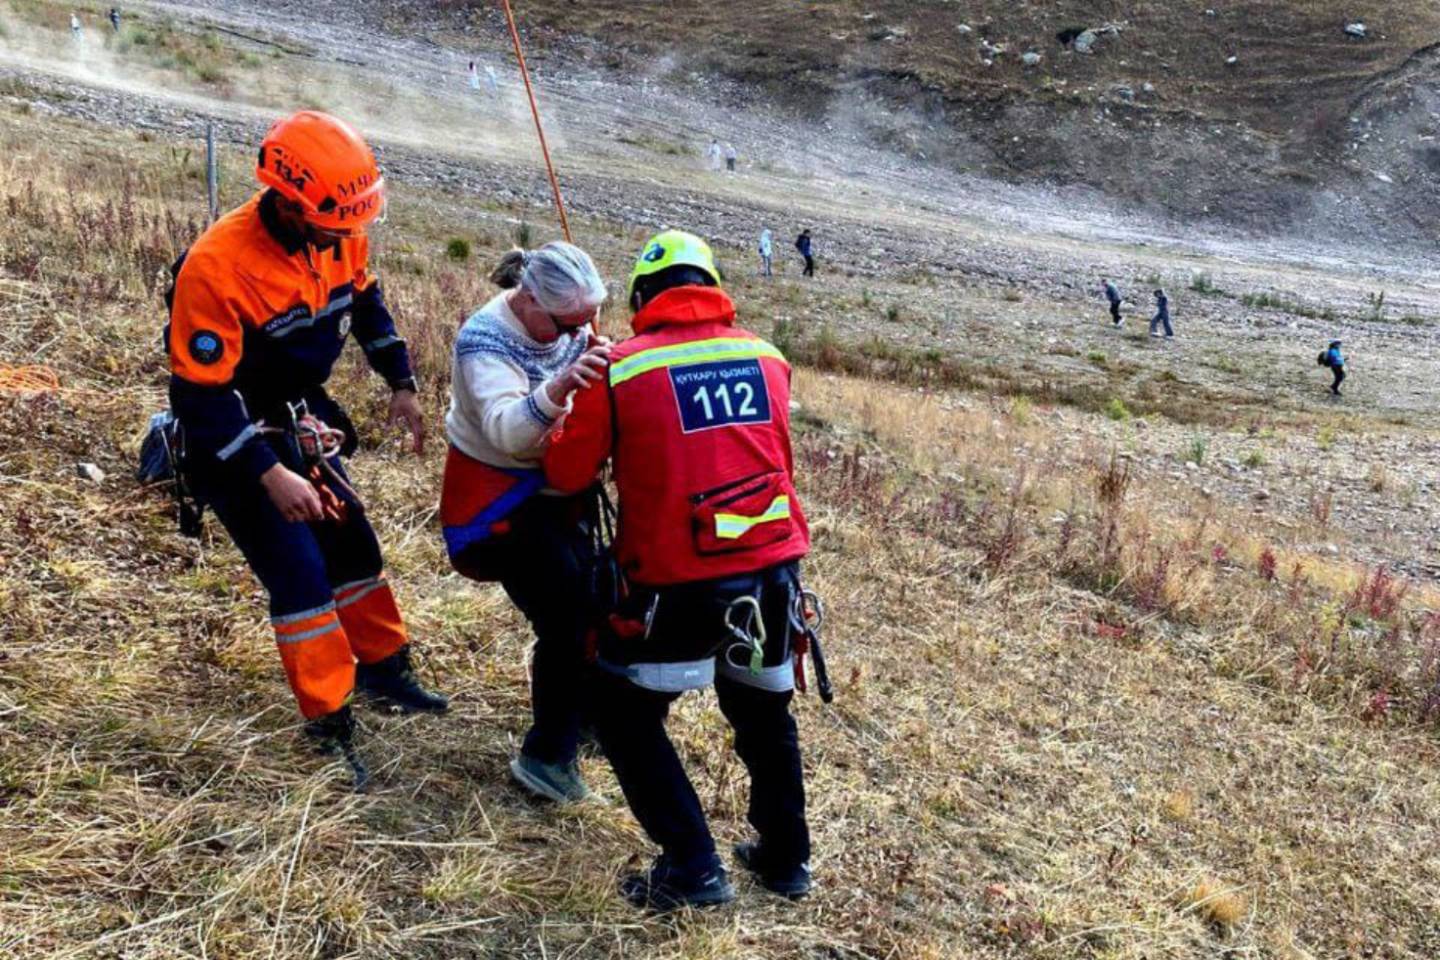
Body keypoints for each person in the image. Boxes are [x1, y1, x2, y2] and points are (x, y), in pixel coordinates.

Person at [165, 111, 447, 780]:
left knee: (353, 544)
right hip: (233, 430)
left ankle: (385, 669)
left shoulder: (340, 230)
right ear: (291, 204)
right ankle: (328, 718)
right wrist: (269, 473)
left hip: (299, 408)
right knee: (298, 571)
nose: (347, 240)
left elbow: (366, 302)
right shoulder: (216, 267)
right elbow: (199, 397)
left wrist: (401, 382)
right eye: (335, 228)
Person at [545, 230, 815, 911]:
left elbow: (567, 472)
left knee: (621, 712)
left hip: (674, 582)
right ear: (714, 285)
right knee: (763, 713)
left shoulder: (620, 368)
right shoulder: (768, 357)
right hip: (772, 572)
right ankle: (786, 859)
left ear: (642, 297)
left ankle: (694, 868)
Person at [441, 243, 610, 802]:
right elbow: (507, 432)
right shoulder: (483, 341)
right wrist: (562, 386)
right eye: (569, 324)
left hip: (559, 490)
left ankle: (586, 718)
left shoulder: (566, 323)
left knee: (600, 595)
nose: (578, 334)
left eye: (589, 321)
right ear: (531, 299)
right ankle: (547, 758)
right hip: (496, 502)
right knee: (567, 615)